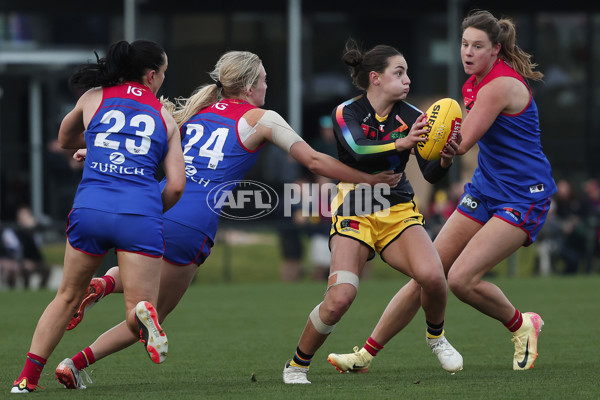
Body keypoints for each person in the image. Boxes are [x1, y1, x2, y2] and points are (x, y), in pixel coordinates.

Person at [53, 50, 402, 390]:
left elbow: (143, 144)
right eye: (264, 80)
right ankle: (74, 362)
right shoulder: (261, 118)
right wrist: (368, 179)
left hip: (156, 207)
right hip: (193, 221)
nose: (267, 86)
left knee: (144, 288)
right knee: (147, 318)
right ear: (250, 87)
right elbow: (313, 161)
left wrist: (92, 149)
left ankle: (104, 284)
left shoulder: (195, 112)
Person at [328, 9, 557, 374]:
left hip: (523, 195)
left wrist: (419, 139)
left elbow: (461, 142)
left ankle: (522, 324)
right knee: (428, 272)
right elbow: (448, 147)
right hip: (484, 189)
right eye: (464, 44)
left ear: (495, 50)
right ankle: (366, 354)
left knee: (462, 279)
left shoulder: (498, 85)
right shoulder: (472, 83)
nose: (468, 53)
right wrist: (421, 141)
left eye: (478, 46)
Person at [282, 39, 462, 385]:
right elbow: (357, 149)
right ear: (375, 78)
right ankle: (297, 365)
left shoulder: (413, 117)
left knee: (434, 277)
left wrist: (444, 159)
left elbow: (430, 175)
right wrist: (401, 143)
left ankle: (436, 337)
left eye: (407, 72)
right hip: (357, 206)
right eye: (399, 72)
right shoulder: (346, 111)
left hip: (397, 208)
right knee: (339, 298)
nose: (407, 79)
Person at [11, 39, 185, 393]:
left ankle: (26, 380)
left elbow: (63, 139)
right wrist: (151, 208)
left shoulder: (94, 97)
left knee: (66, 297)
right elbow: (177, 186)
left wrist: (95, 146)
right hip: (140, 215)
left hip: (91, 209)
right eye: (163, 73)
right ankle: (144, 315)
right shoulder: (165, 117)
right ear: (151, 75)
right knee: (138, 314)